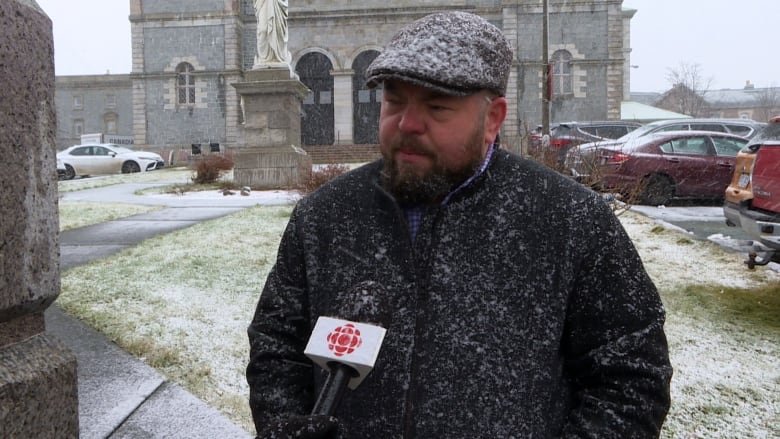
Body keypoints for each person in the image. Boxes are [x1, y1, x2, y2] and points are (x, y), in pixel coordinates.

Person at [247, 11, 672, 439]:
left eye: (436, 106)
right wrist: (285, 423)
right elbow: (276, 349)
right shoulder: (324, 217)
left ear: (493, 119)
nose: (407, 124)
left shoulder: (571, 221)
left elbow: (631, 377)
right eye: (394, 100)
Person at [253, 0, 291, 67]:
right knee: (263, 30)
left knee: (278, 29)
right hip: (263, 3)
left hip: (277, 3)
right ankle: (264, 58)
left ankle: (278, 57)